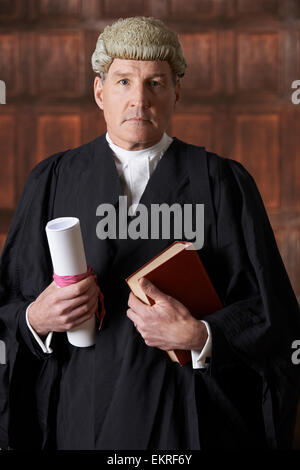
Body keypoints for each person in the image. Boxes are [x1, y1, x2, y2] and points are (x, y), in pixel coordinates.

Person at [0, 16, 299, 451]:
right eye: (123, 81)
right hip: (82, 417)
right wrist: (36, 320)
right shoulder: (52, 180)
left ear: (176, 91)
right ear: (99, 90)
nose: (138, 99)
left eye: (155, 83)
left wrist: (201, 337)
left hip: (191, 417)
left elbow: (273, 316)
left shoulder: (222, 183)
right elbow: (7, 305)